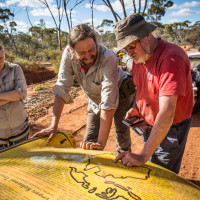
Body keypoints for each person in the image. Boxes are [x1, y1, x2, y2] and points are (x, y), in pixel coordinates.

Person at [32, 24, 135, 152]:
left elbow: (109, 100)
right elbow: (61, 89)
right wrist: (53, 126)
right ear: (72, 49)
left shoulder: (108, 57)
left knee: (121, 132)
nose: (88, 56)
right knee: (89, 140)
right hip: (94, 98)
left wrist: (102, 142)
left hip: (120, 91)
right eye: (82, 52)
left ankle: (124, 158)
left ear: (96, 44)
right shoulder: (68, 55)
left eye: (91, 50)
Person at [113, 14, 193, 174]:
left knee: (158, 173)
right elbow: (140, 88)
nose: (128, 52)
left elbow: (167, 112)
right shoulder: (139, 57)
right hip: (147, 124)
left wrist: (142, 155)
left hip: (170, 128)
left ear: (147, 35)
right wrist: (136, 107)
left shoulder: (171, 58)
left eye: (131, 46)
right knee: (153, 166)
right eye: (124, 49)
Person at [0, 45, 30, 150]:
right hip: (0, 132)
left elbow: (22, 94)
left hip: (20, 127)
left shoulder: (15, 69)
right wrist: (13, 95)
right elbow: (18, 94)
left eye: (1, 58)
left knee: (23, 159)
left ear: (4, 55)